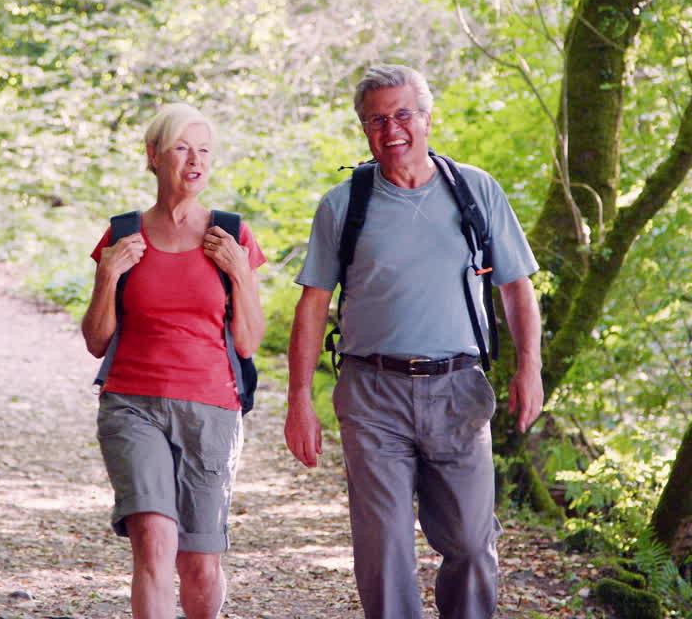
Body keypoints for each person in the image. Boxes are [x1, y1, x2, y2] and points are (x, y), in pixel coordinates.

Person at [283, 64, 543, 619]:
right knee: (384, 550)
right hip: (371, 393)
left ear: (427, 119)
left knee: (472, 545)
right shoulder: (343, 204)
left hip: (459, 390)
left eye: (403, 114)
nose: (391, 128)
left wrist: (530, 367)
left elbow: (517, 287)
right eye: (376, 119)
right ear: (363, 129)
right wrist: (298, 401)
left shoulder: (475, 190)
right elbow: (312, 307)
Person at [81, 102, 266, 619]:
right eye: (182, 148)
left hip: (211, 406)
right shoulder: (123, 234)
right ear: (153, 157)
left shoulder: (231, 234)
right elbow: (97, 341)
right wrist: (108, 276)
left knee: (200, 563)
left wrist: (241, 272)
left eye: (204, 150)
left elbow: (248, 342)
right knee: (155, 542)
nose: (195, 161)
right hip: (131, 404)